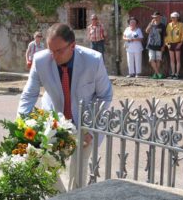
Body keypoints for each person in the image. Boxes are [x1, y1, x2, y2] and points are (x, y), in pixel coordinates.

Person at [17, 23, 113, 190]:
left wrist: (90, 130)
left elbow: (105, 95)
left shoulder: (93, 60)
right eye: (50, 50)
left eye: (58, 51)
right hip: (54, 121)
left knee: (78, 171)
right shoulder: (41, 61)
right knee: (42, 163)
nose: (53, 56)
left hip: (86, 122)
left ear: (73, 46)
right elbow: (29, 94)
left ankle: (75, 195)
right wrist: (22, 124)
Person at [145, 11, 166, 79]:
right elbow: (147, 31)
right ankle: (158, 73)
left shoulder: (162, 25)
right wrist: (151, 24)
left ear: (160, 17)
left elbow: (164, 37)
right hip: (151, 45)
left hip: (159, 45)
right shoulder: (151, 24)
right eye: (154, 17)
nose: (155, 18)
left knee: (158, 60)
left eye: (156, 17)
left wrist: (163, 46)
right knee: (151, 59)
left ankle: (155, 74)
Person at [165, 12, 183, 79]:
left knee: (178, 59)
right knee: (172, 60)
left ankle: (177, 74)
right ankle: (173, 73)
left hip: (178, 43)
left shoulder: (181, 24)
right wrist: (167, 44)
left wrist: (180, 43)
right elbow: (166, 35)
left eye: (175, 17)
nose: (173, 18)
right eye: (172, 17)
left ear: (177, 17)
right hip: (170, 44)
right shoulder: (169, 25)